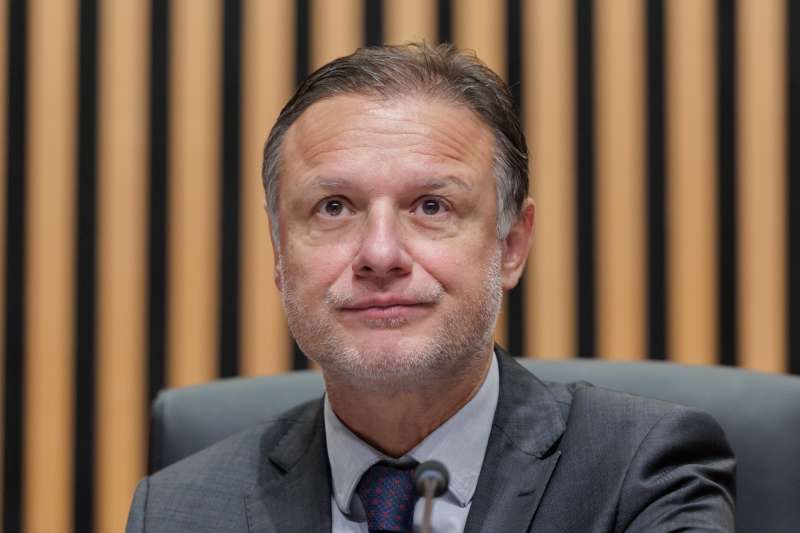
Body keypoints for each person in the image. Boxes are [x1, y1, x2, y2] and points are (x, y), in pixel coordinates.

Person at [126, 43, 735, 533]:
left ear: (511, 245)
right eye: (334, 207)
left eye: (431, 206)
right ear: (280, 252)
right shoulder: (177, 510)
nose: (380, 255)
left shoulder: (643, 473)